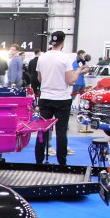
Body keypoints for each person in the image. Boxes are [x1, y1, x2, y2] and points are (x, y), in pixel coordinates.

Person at [35, 31, 91, 165]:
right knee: (61, 132)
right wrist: (79, 71)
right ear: (63, 42)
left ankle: (39, 161)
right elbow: (70, 80)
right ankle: (62, 162)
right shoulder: (65, 58)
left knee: (42, 130)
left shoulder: (42, 57)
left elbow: (40, 79)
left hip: (45, 98)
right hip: (62, 99)